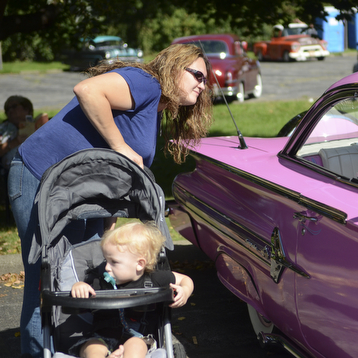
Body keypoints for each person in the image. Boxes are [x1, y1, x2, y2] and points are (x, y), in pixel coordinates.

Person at [9, 43, 213, 358]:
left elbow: (114, 177)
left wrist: (109, 226)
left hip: (85, 196)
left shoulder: (153, 110)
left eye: (205, 80)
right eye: (197, 74)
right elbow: (88, 90)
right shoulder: (146, 82)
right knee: (45, 283)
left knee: (88, 275)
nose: (203, 84)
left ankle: (80, 348)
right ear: (175, 67)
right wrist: (120, 146)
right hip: (40, 177)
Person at [69, 222, 194, 358]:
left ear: (139, 264)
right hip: (102, 337)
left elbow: (185, 279)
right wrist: (79, 286)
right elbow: (83, 290)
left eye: (113, 262)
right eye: (106, 261)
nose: (106, 268)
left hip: (138, 337)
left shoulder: (154, 279)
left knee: (136, 344)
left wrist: (185, 291)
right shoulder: (99, 282)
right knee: (93, 347)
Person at [1, 96, 48, 170]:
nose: (10, 110)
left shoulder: (37, 124)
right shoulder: (3, 128)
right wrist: (15, 142)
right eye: (7, 109)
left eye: (14, 106)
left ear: (27, 109)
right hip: (14, 167)